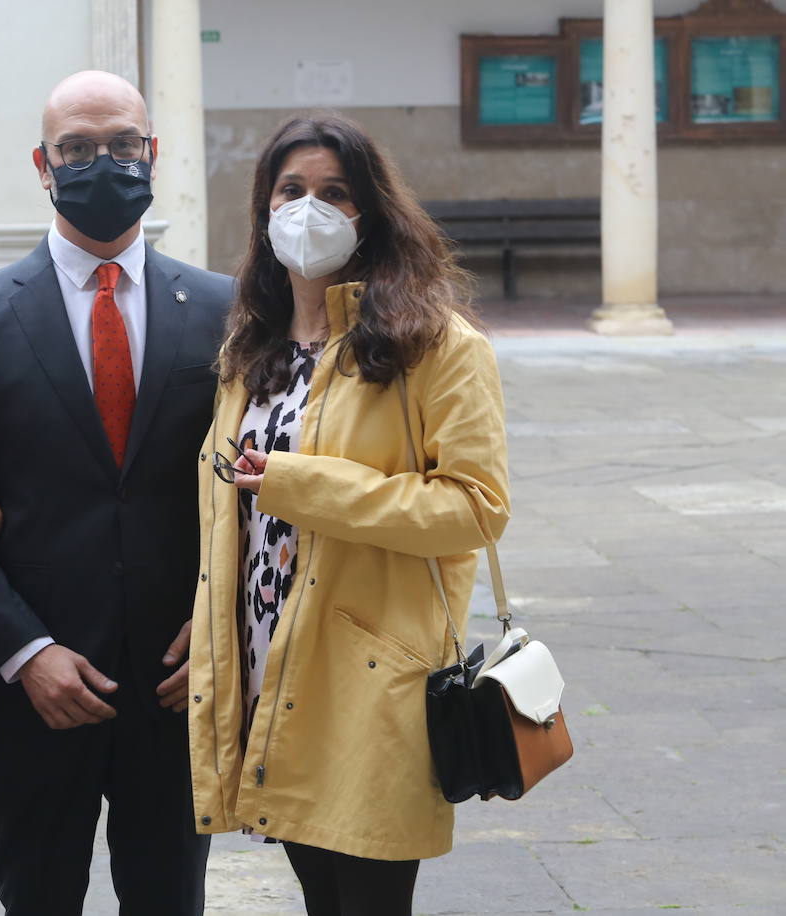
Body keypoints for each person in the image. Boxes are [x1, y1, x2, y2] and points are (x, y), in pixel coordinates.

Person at [0, 71, 233, 915]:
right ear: (42, 164)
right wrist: (25, 651)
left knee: (171, 895)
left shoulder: (221, 309)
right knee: (38, 893)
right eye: (78, 149)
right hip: (39, 690)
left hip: (174, 675)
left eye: (123, 145)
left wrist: (221, 618)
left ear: (153, 152)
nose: (104, 163)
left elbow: (248, 493)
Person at [186, 114, 511, 916]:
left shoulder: (435, 343)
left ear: (373, 210)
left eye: (336, 193)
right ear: (264, 209)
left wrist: (307, 486)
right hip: (269, 658)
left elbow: (476, 508)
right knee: (317, 891)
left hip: (370, 671)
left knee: (366, 896)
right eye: (291, 190)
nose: (309, 209)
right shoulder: (248, 347)